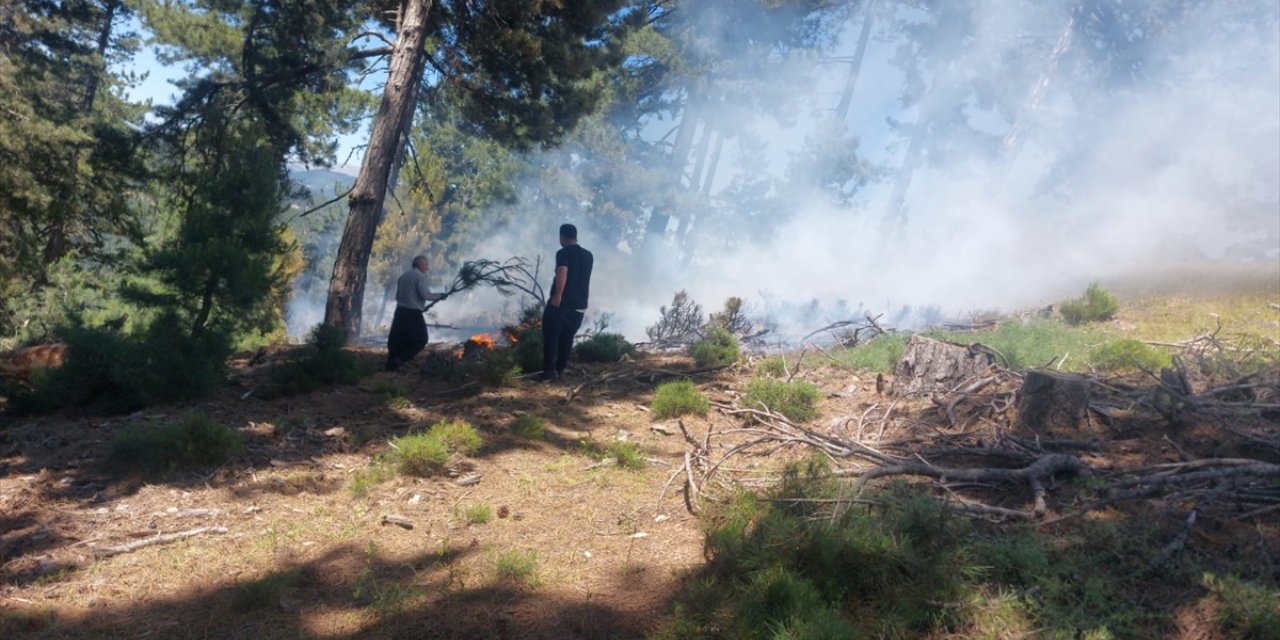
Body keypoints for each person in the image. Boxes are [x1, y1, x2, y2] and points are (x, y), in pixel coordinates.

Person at [541, 223, 594, 381]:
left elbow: (562, 270)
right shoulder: (588, 255)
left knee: (551, 335)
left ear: (562, 237)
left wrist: (558, 294)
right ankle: (560, 369)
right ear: (575, 236)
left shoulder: (563, 253)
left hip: (562, 304)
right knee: (567, 337)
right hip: (580, 305)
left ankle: (549, 372)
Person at [386, 255, 446, 371]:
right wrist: (440, 296)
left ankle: (391, 363)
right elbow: (426, 295)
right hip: (412, 314)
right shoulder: (420, 277)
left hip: (400, 311)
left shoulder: (403, 277)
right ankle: (400, 359)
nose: (428, 267)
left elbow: (401, 296)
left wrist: (420, 307)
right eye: (426, 264)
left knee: (397, 339)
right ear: (419, 265)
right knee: (421, 339)